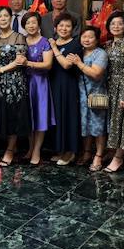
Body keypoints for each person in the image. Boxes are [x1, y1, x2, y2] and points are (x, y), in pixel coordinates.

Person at [0, 6, 31, 166]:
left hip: (15, 82)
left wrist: (0, 70)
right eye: (0, 16)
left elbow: (19, 61)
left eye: (6, 16)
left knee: (14, 116)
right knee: (4, 115)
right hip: (0, 83)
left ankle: (10, 150)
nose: (3, 19)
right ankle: (9, 145)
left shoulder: (19, 37)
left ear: (11, 18)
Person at [69, 27, 108, 172]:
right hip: (80, 95)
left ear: (97, 39)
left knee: (98, 127)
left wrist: (79, 63)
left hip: (96, 95)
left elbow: (96, 74)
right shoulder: (79, 52)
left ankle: (98, 155)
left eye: (90, 37)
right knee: (84, 125)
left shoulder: (101, 54)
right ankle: (86, 152)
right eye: (84, 36)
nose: (86, 39)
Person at [103, 11, 124, 172]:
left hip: (121, 88)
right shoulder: (109, 44)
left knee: (121, 122)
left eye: (120, 23)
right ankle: (111, 151)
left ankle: (118, 157)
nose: (116, 26)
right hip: (108, 87)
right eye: (113, 23)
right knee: (111, 122)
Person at [48, 13, 82, 166]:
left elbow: (66, 65)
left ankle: (70, 152)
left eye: (68, 26)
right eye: (61, 25)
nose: (64, 28)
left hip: (68, 85)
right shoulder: (52, 42)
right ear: (55, 28)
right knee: (57, 117)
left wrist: (55, 48)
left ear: (73, 28)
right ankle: (61, 150)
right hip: (54, 83)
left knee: (68, 117)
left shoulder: (75, 44)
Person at [23, 12, 55, 165]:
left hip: (40, 82)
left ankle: (37, 150)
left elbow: (48, 65)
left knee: (40, 116)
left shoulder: (45, 42)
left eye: (33, 22)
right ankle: (30, 147)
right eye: (28, 23)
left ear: (38, 24)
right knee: (29, 116)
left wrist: (28, 63)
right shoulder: (22, 41)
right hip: (25, 82)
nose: (31, 25)